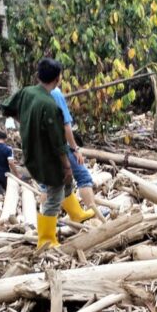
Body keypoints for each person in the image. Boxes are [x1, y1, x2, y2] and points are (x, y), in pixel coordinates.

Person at [0, 58, 94, 249]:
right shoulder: (49, 105)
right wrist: (67, 165)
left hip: (33, 148)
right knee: (54, 194)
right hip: (47, 155)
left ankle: (76, 213)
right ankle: (46, 239)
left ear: (38, 76)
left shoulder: (27, 92)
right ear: (58, 78)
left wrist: (24, 120)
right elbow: (58, 143)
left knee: (67, 184)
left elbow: (6, 107)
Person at [49, 74, 101, 217]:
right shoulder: (55, 93)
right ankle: (94, 212)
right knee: (83, 177)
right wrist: (75, 149)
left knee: (57, 183)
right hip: (61, 145)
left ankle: (73, 215)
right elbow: (66, 126)